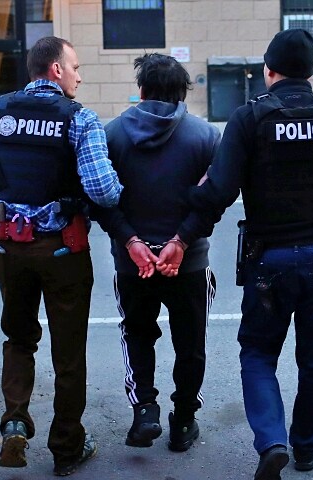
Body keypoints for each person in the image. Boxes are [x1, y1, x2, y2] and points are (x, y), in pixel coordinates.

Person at [175, 29, 313, 480]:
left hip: (267, 261)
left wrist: (183, 228)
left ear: (268, 71)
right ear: (310, 72)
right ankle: (306, 447)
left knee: (258, 353)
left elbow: (218, 192)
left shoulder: (249, 118)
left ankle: (272, 441)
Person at [0, 36, 123, 476]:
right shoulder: (79, 119)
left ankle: (15, 421)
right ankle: (66, 448)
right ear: (56, 69)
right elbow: (103, 190)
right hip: (61, 251)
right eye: (75, 67)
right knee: (68, 351)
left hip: (10, 248)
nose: (79, 76)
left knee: (18, 337)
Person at [95, 53, 220, 452]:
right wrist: (180, 241)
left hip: (133, 264)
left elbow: (99, 200)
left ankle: (145, 410)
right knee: (191, 342)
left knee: (136, 333)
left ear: (142, 90)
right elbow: (214, 200)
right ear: (182, 92)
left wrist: (131, 241)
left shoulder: (111, 135)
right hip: (188, 262)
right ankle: (183, 421)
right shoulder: (205, 136)